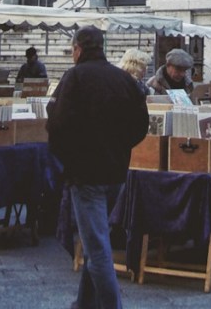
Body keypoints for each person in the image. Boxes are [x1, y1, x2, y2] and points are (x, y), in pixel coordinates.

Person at [47, 25, 148, 309]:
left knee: (98, 248)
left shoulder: (74, 77)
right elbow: (141, 125)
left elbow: (57, 125)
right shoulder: (124, 79)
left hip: (86, 174)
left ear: (78, 49)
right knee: (96, 241)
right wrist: (120, 147)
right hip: (116, 173)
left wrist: (70, 159)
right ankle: (84, 303)